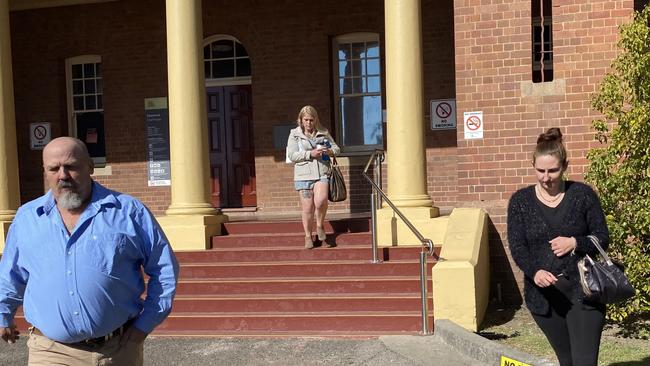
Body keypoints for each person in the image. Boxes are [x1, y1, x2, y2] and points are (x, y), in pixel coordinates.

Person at [0, 137, 179, 365]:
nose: (63, 175)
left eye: (71, 166)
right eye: (54, 168)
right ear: (45, 172)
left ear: (90, 167)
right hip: (51, 351)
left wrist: (143, 327)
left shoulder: (129, 212)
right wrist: (3, 313)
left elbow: (164, 269)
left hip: (118, 349)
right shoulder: (27, 218)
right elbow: (11, 274)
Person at [507, 128, 609, 366]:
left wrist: (575, 242)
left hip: (584, 293)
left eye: (553, 170)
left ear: (565, 166)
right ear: (533, 165)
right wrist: (535, 272)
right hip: (544, 298)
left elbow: (602, 236)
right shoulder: (520, 202)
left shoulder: (582, 195)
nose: (546, 177)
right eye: (540, 171)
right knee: (567, 361)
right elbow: (518, 246)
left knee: (584, 362)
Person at [286, 105, 340, 249]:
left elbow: (336, 149)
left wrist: (328, 151)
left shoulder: (323, 132)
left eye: (311, 120)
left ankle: (320, 225)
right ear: (301, 120)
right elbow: (292, 155)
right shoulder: (294, 135)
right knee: (308, 208)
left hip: (322, 171)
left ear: (315, 120)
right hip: (303, 175)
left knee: (321, 200)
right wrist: (310, 154)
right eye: (306, 120)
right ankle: (308, 236)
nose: (309, 123)